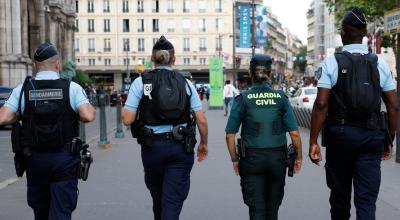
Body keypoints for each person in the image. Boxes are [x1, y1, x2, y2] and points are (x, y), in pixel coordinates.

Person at [309, 8, 398, 220]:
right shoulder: (380, 63)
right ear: (365, 34)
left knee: (339, 199)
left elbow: (321, 104)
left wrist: (313, 140)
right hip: (371, 137)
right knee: (366, 201)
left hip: (340, 137)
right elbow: (393, 105)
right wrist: (390, 138)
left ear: (343, 34)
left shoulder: (332, 62)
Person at [0, 42, 96, 220]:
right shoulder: (71, 87)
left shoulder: (23, 89)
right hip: (64, 160)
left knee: (41, 213)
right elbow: (88, 115)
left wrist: (20, 114)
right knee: (61, 212)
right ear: (58, 64)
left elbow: (3, 118)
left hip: (35, 161)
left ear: (35, 66)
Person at [122, 36, 208, 220]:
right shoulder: (185, 83)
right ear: (174, 59)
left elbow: (127, 119)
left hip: (152, 147)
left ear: (152, 59)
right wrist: (203, 144)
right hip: (180, 147)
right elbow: (201, 120)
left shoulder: (142, 82)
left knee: (158, 197)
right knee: (172, 201)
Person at [225, 54, 302, 220]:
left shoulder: (243, 99)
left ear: (251, 74)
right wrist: (298, 158)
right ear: (270, 73)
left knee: (256, 210)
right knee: (272, 210)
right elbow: (294, 133)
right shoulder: (281, 98)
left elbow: (230, 135)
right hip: (277, 159)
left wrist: (234, 160)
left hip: (251, 159)